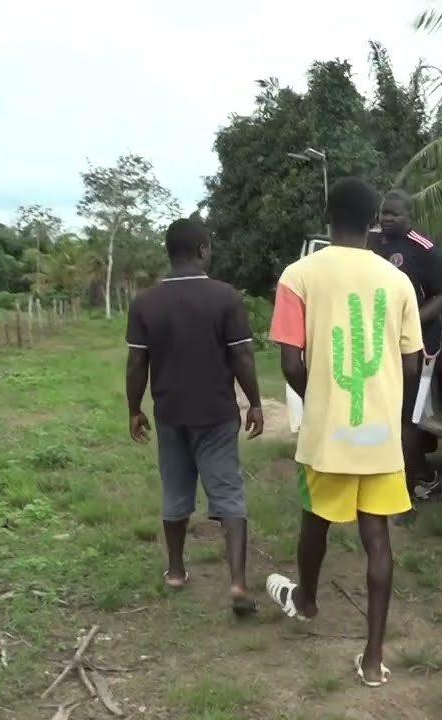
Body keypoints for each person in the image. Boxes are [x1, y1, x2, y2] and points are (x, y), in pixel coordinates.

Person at [267, 176, 423, 687]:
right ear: (375, 220)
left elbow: (291, 361)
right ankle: (374, 660)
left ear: (328, 218)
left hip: (330, 431)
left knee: (316, 520)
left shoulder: (298, 275)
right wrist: (398, 418)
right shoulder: (398, 282)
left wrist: (321, 400)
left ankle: (306, 600)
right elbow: (413, 362)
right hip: (379, 433)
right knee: (377, 537)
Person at [125, 217, 265, 617]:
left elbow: (137, 361)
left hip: (169, 414)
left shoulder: (145, 302)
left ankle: (175, 570)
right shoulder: (225, 297)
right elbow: (241, 355)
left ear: (168, 253)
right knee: (229, 495)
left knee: (175, 492)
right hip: (217, 416)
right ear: (203, 250)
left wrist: (134, 409)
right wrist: (254, 401)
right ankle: (237, 582)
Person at [369, 190, 442, 522]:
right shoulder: (373, 244)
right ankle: (425, 478)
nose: (387, 219)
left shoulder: (423, 249)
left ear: (409, 216)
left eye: (395, 214)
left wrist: (412, 322)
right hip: (383, 344)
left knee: (408, 420)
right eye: (383, 213)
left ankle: (403, 500)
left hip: (419, 347)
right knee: (390, 417)